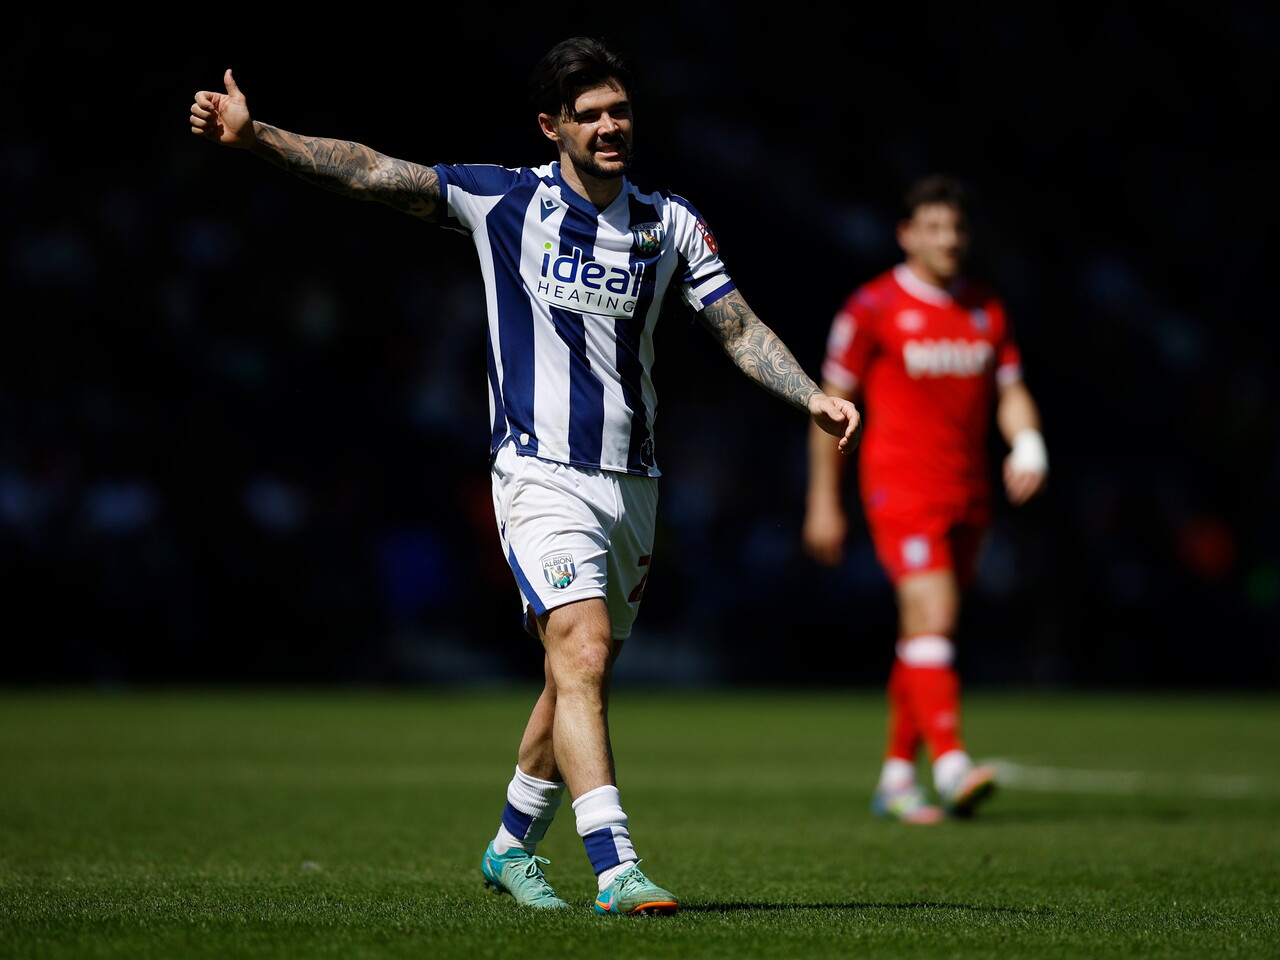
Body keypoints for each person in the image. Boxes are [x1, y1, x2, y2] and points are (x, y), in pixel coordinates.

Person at [190, 37, 861, 914]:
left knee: (570, 677)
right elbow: (373, 172)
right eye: (590, 115)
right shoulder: (503, 198)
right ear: (552, 127)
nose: (611, 126)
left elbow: (734, 326)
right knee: (580, 652)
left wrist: (810, 393)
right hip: (540, 474)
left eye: (620, 109)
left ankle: (510, 849)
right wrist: (260, 137)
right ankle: (617, 868)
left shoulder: (672, 224)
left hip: (635, 488)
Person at [802, 174, 1047, 825]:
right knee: (932, 613)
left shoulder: (986, 307)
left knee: (925, 635)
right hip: (899, 487)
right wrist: (823, 500)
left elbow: (1012, 389)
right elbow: (827, 407)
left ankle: (895, 777)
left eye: (957, 228)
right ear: (906, 234)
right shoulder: (872, 308)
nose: (948, 240)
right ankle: (952, 760)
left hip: (969, 492)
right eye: (933, 228)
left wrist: (1028, 445)